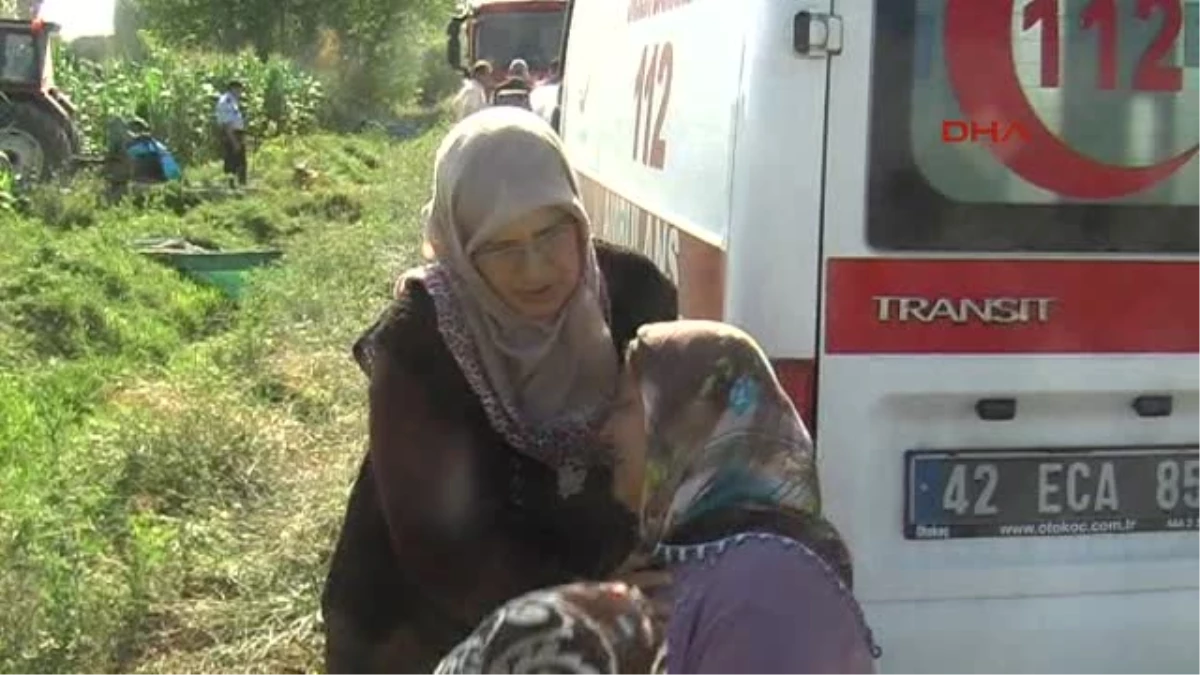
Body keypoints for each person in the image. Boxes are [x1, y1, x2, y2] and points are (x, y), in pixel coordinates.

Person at [320, 107, 679, 674]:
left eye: (550, 232)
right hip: (426, 627)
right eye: (500, 247)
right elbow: (441, 543)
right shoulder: (421, 340)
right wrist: (589, 599)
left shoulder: (636, 297)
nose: (535, 268)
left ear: (579, 219)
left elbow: (683, 442)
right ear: (458, 246)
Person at [435, 320, 882, 674]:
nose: (607, 431)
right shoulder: (705, 564)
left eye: (629, 407)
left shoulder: (763, 589)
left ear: (688, 424)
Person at [213, 79, 247, 187]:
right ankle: (231, 185)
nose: (240, 93)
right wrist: (234, 140)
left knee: (239, 161)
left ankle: (238, 185)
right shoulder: (226, 101)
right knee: (232, 160)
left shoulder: (233, 101)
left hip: (236, 133)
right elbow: (227, 123)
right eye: (239, 90)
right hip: (231, 133)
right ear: (233, 89)